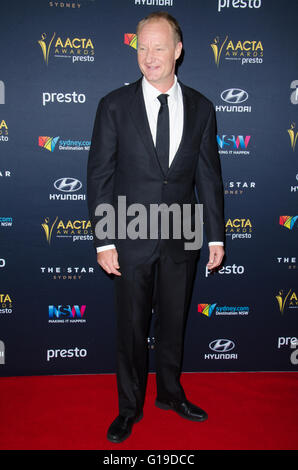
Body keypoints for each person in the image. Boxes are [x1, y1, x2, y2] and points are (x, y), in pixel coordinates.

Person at [87, 11, 225, 444]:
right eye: (142, 47)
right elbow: (100, 176)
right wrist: (104, 238)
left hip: (182, 232)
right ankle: (129, 408)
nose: (149, 57)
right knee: (130, 326)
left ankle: (170, 392)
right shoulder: (113, 104)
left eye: (159, 47)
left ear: (178, 50)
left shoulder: (202, 107)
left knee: (174, 322)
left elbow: (209, 175)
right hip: (128, 231)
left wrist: (217, 234)